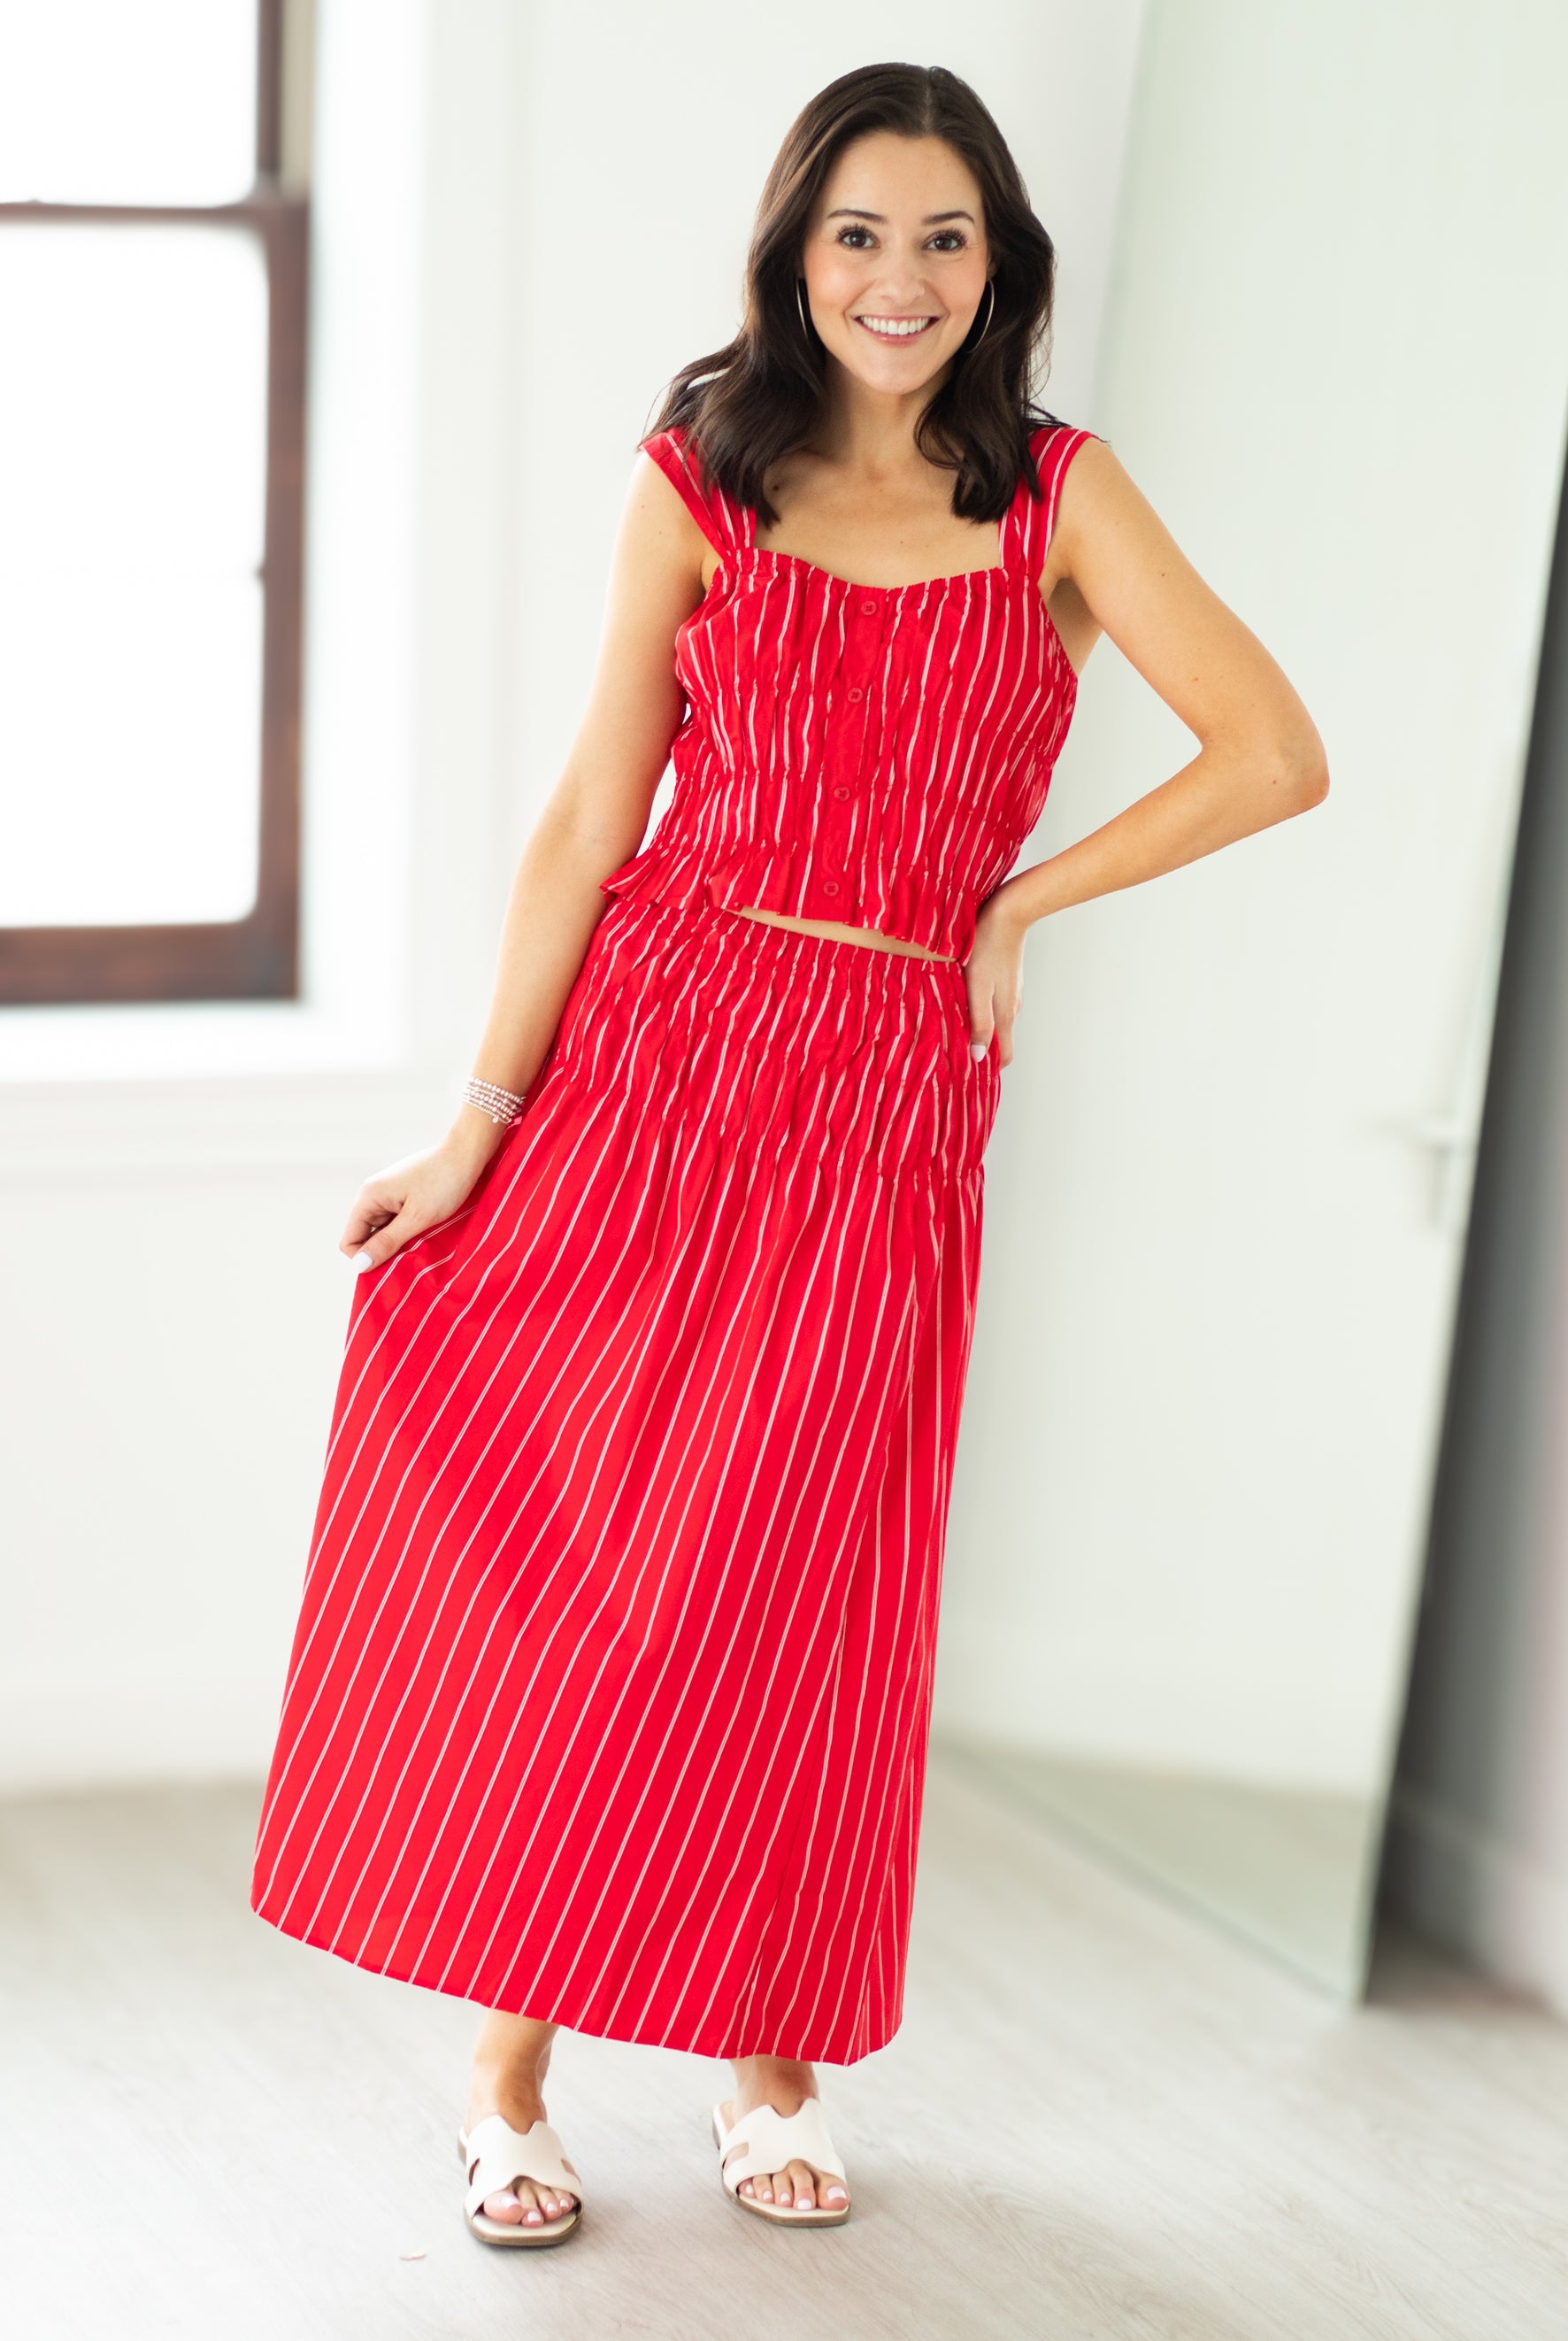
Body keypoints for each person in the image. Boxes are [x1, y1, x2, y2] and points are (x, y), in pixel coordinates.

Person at [250, 61, 1327, 2247]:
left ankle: (768, 2058)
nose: (898, 278)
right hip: (650, 1059)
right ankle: (507, 2072)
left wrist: (1015, 904)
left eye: (942, 237)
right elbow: (586, 820)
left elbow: (1273, 751)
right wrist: (476, 1125)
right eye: (856, 234)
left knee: (800, 1584)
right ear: (793, 253)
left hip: (878, 1091)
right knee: (575, 1570)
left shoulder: (1057, 500)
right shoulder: (699, 479)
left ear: (998, 263)